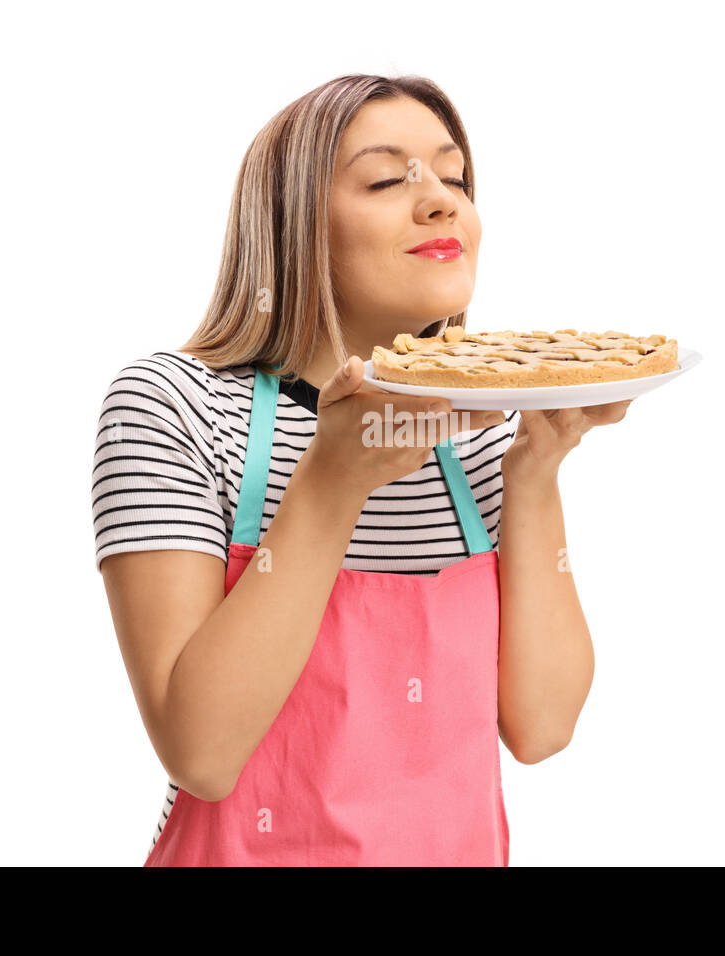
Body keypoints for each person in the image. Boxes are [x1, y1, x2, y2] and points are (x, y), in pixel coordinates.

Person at [91, 73, 633, 866]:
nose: (442, 201)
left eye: (455, 178)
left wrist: (538, 468)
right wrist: (332, 484)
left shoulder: (483, 432)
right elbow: (201, 753)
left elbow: (543, 726)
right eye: (387, 179)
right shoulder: (175, 406)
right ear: (292, 226)